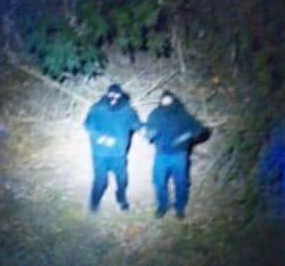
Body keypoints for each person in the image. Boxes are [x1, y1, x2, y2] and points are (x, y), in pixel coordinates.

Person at [144, 90, 209, 219]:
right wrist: (150, 134)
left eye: (169, 99)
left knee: (181, 182)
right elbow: (148, 129)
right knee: (158, 182)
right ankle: (162, 206)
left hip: (179, 155)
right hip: (161, 154)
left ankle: (179, 207)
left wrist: (186, 136)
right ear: (160, 101)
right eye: (164, 100)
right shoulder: (156, 114)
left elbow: (199, 129)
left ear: (174, 100)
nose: (166, 102)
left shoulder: (182, 115)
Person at [83, 83, 142, 212]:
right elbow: (88, 126)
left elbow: (137, 125)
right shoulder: (97, 108)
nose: (114, 97)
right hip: (100, 153)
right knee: (100, 181)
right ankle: (94, 203)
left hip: (118, 154)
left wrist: (145, 128)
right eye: (111, 94)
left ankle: (121, 200)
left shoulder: (127, 110)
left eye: (117, 95)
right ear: (107, 94)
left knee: (122, 179)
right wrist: (102, 138)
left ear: (121, 96)